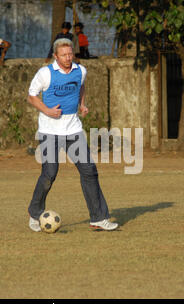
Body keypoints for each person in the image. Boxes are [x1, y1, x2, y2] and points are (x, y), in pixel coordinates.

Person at [27, 38, 118, 232]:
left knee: (89, 171)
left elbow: (80, 86)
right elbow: (32, 97)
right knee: (49, 174)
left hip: (73, 129)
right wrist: (48, 111)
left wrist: (81, 104)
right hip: (49, 131)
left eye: (70, 54)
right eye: (64, 55)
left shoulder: (80, 71)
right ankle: (35, 213)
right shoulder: (45, 73)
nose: (68, 58)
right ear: (55, 56)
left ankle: (99, 218)